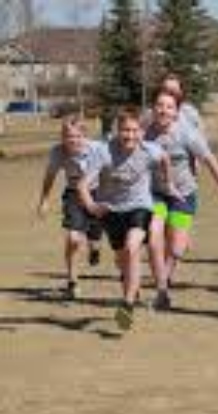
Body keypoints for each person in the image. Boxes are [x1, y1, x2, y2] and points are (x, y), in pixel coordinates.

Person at [77, 108, 174, 333]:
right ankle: (131, 293)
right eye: (125, 130)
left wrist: (168, 184)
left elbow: (165, 158)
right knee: (123, 260)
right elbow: (82, 185)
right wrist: (91, 206)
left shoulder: (150, 150)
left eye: (134, 130)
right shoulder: (104, 152)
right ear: (116, 131)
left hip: (140, 207)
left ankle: (127, 304)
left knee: (133, 248)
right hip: (111, 211)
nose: (130, 135)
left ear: (142, 132)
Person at [144, 89, 218, 310]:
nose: (163, 110)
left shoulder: (186, 133)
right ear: (153, 108)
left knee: (176, 248)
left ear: (176, 112)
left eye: (169, 107)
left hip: (184, 195)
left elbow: (208, 158)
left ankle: (165, 278)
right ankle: (161, 289)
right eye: (159, 105)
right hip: (156, 194)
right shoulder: (145, 132)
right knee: (154, 236)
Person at [36, 116, 106, 299]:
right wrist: (44, 200)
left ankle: (94, 248)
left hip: (97, 193)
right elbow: (50, 176)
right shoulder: (57, 152)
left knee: (95, 238)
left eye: (77, 136)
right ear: (62, 137)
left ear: (84, 136)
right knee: (73, 238)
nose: (72, 140)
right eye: (68, 136)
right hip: (74, 194)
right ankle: (72, 282)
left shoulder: (98, 149)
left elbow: (111, 170)